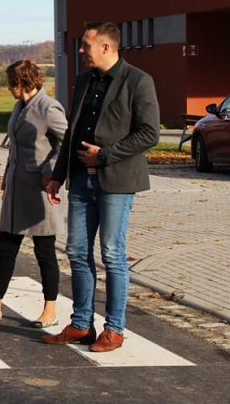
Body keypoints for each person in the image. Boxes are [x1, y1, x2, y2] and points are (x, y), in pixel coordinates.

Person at [42, 21, 160, 352]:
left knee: (112, 253)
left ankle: (115, 329)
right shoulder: (83, 81)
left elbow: (149, 133)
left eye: (85, 45)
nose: (81, 50)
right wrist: (57, 174)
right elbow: (73, 132)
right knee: (77, 251)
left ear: (106, 47)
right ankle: (81, 325)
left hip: (117, 181)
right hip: (80, 180)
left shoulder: (138, 81)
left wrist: (105, 155)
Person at [0, 60, 67, 328]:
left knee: (44, 251)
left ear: (22, 82)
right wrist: (5, 185)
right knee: (6, 249)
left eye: (11, 82)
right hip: (15, 190)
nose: (8, 87)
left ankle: (50, 310)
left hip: (40, 190)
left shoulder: (49, 107)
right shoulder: (19, 106)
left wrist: (51, 170)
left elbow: (67, 144)